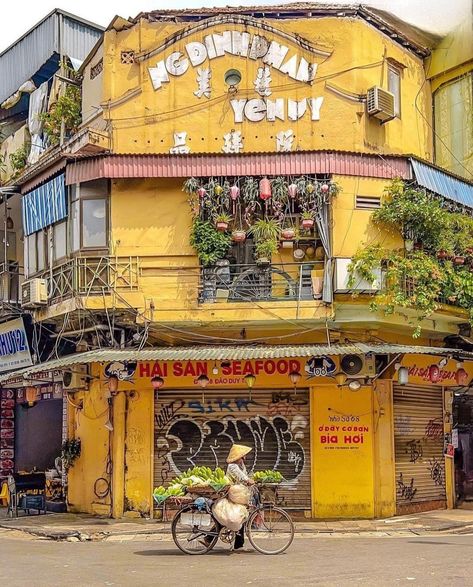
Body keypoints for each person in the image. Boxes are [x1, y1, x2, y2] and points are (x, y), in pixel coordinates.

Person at [226, 444, 255, 551]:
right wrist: (248, 481)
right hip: (232, 495)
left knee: (240, 517)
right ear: (238, 457)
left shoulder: (241, 465)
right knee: (237, 517)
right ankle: (209, 538)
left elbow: (245, 476)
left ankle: (238, 544)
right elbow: (242, 477)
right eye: (242, 456)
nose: (244, 458)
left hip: (239, 494)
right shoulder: (232, 466)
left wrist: (249, 481)